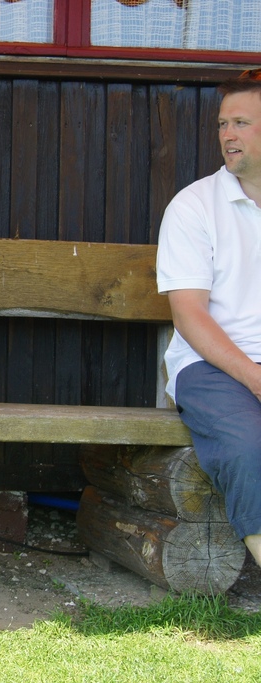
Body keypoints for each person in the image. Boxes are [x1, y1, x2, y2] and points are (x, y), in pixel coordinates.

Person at [157, 68, 261, 569]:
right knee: (247, 444)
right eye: (223, 124)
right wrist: (255, 378)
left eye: (240, 123)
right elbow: (189, 315)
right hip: (209, 365)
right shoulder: (195, 206)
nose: (227, 135)